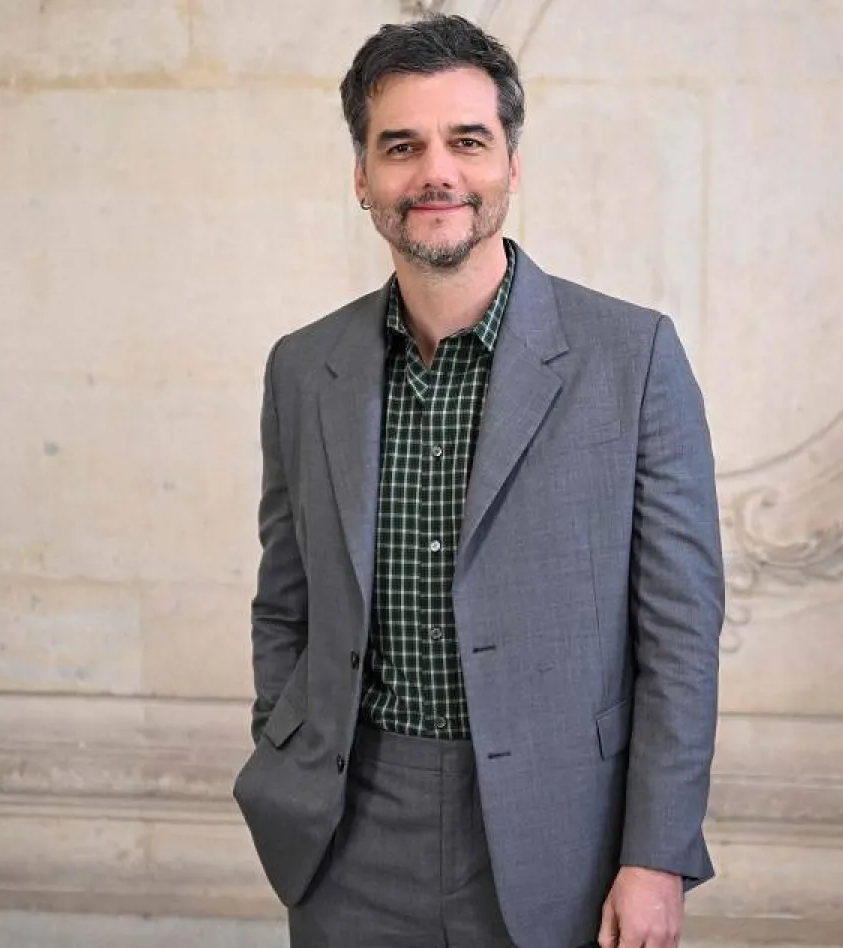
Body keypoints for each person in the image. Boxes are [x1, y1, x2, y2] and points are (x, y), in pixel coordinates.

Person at [233, 14, 724, 947]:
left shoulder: (633, 358)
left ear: (510, 164)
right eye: (401, 146)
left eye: (467, 141)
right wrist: (284, 748)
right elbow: (285, 602)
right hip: (346, 836)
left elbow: (680, 637)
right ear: (362, 177)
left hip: (561, 839)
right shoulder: (303, 368)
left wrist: (655, 855)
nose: (436, 173)